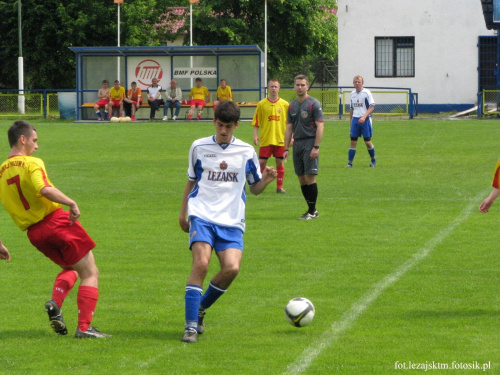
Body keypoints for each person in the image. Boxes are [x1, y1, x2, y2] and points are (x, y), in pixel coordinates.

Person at [0, 121, 110, 338]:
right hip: (56, 222)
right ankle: (85, 328)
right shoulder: (32, 162)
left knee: (71, 268)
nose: (36, 146)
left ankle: (56, 303)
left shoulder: (1, 172)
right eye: (34, 140)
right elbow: (44, 189)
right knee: (90, 272)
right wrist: (71, 202)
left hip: (35, 234)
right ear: (23, 140)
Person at [178, 101, 277, 343]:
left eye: (228, 127)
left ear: (236, 126)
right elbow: (191, 181)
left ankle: (199, 308)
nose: (223, 131)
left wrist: (266, 180)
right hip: (201, 214)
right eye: (220, 125)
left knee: (231, 268)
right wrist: (183, 212)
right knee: (201, 263)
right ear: (214, 122)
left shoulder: (245, 152)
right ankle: (190, 326)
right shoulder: (199, 147)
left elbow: (253, 188)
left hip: (231, 220)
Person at [284, 74, 324, 220]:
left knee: (310, 176)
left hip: (309, 142)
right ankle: (311, 209)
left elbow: (320, 126)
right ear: (294, 86)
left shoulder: (314, 104)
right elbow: (289, 128)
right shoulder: (292, 105)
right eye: (297, 85)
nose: (300, 87)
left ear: (307, 87)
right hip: (297, 144)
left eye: (302, 85)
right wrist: (286, 148)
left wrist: (316, 146)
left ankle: (312, 211)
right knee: (301, 178)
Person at [252, 79, 289, 193]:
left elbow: (290, 123)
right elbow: (256, 122)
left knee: (279, 162)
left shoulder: (285, 104)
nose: (273, 88)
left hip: (280, 139)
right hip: (266, 139)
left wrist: (291, 137)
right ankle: (259, 183)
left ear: (279, 88)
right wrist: (255, 135)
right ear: (268, 88)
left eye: (275, 86)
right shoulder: (262, 104)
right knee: (262, 162)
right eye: (271, 86)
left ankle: (279, 187)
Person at [346, 75, 376, 168]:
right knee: (353, 141)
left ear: (362, 83)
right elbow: (351, 109)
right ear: (353, 83)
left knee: (367, 141)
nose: (357, 83)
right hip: (355, 120)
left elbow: (372, 106)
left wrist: (364, 117)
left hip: (365, 120)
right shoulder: (352, 94)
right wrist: (351, 122)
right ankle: (349, 163)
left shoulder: (367, 93)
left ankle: (373, 159)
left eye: (359, 82)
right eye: (355, 82)